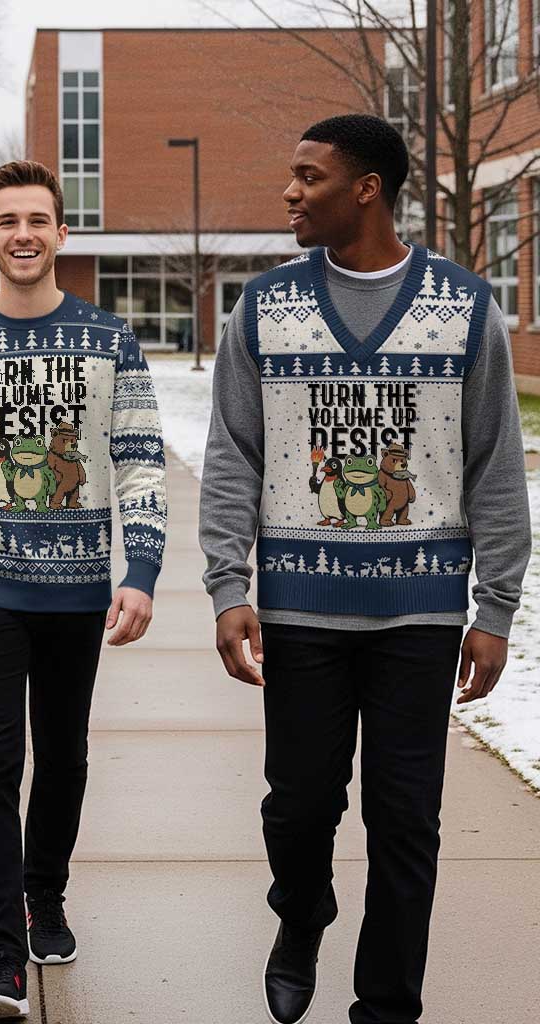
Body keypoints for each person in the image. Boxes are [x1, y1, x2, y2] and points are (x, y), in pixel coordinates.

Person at [200, 113, 530, 1024]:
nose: (290, 192)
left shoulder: (463, 308)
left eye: (309, 176)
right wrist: (229, 585)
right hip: (301, 611)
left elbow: (495, 465)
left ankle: (387, 1005)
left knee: (405, 824)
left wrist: (496, 607)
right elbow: (233, 453)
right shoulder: (265, 307)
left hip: (420, 618)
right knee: (298, 811)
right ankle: (300, 913)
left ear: (367, 189)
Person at [0, 160, 168, 1021]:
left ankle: (43, 895)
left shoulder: (110, 339)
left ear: (61, 233)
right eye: (7, 220)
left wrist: (143, 569)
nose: (23, 234)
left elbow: (139, 461)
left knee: (65, 753)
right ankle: (0, 961)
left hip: (77, 586)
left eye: (38, 220)